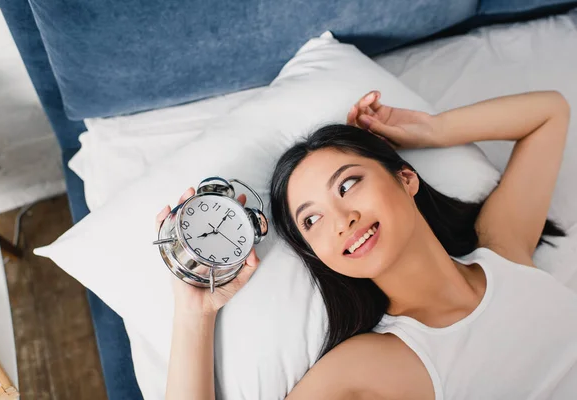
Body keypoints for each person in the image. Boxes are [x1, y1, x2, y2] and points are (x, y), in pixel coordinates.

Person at [159, 90, 577, 399]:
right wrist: (195, 312)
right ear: (316, 254)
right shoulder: (371, 364)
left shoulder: (503, 252)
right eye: (312, 219)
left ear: (405, 178)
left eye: (348, 184)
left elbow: (550, 113)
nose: (342, 221)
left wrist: (431, 129)